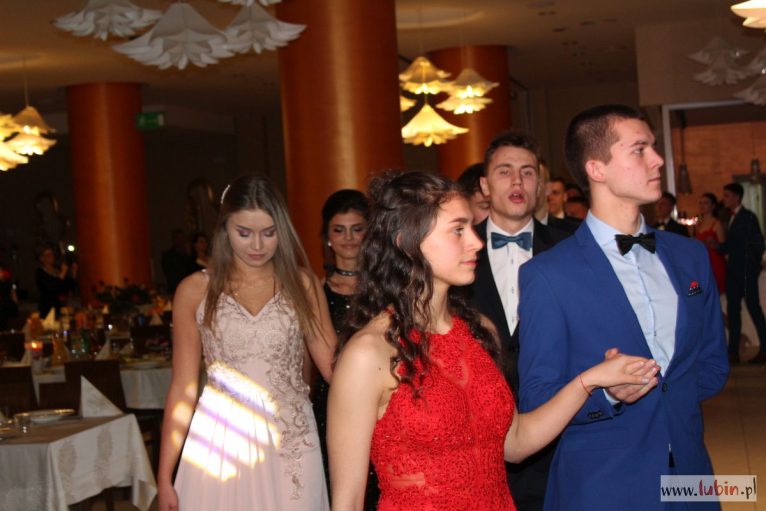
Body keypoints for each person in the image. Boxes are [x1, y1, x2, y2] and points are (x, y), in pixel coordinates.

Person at [328, 171, 658, 511]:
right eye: (458, 230)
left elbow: (515, 443)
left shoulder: (479, 330)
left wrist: (589, 381)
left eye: (471, 228)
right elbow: (347, 501)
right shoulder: (369, 354)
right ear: (406, 241)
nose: (476, 242)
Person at [519, 104, 729, 511]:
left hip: (691, 478)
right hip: (603, 484)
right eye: (640, 149)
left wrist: (672, 403)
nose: (658, 159)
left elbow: (711, 364)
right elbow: (536, 396)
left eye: (653, 147)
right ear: (597, 169)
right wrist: (608, 395)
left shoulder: (690, 256)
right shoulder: (548, 274)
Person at [157, 175, 337, 511]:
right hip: (221, 441)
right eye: (244, 233)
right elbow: (183, 388)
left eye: (269, 233)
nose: (257, 245)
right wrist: (165, 475)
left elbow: (332, 367)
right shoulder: (193, 290)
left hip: (292, 441)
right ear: (225, 228)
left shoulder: (302, 283)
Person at [468, 132, 569, 511]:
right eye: (505, 171)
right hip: (475, 433)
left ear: (539, 185)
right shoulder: (456, 250)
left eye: (527, 173)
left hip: (555, 431)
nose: (517, 181)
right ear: (484, 185)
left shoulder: (568, 249)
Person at [313, 188, 379, 509]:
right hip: (331, 406)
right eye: (339, 230)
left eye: (357, 229)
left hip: (383, 404)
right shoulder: (316, 292)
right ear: (327, 237)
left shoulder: (384, 290)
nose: (349, 238)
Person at [721, 182, 766, 364]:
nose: (724, 199)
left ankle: (764, 348)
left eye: (727, 195)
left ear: (736, 197)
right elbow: (732, 245)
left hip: (746, 272)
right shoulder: (728, 217)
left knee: (754, 308)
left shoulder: (748, 217)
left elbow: (758, 243)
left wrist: (753, 268)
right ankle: (733, 352)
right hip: (733, 272)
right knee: (733, 311)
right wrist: (718, 247)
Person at [693, 192, 726, 294]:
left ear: (713, 206)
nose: (702, 205)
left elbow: (723, 247)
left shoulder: (717, 223)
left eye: (706, 203)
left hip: (715, 261)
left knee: (716, 293)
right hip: (703, 262)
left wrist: (714, 244)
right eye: (700, 203)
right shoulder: (698, 224)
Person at [35, 245, 77, 316]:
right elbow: (51, 287)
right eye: (48, 255)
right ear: (41, 258)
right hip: (47, 307)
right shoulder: (40, 272)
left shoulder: (57, 269)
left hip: (61, 306)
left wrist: (74, 272)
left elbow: (69, 287)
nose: (51, 257)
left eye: (52, 254)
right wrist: (62, 274)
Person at [161, 229, 195, 296]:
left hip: (189, 287)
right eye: (178, 238)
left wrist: (189, 255)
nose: (180, 240)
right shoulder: (167, 255)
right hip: (174, 288)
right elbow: (168, 273)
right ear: (173, 240)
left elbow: (191, 270)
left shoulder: (189, 254)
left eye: (182, 238)